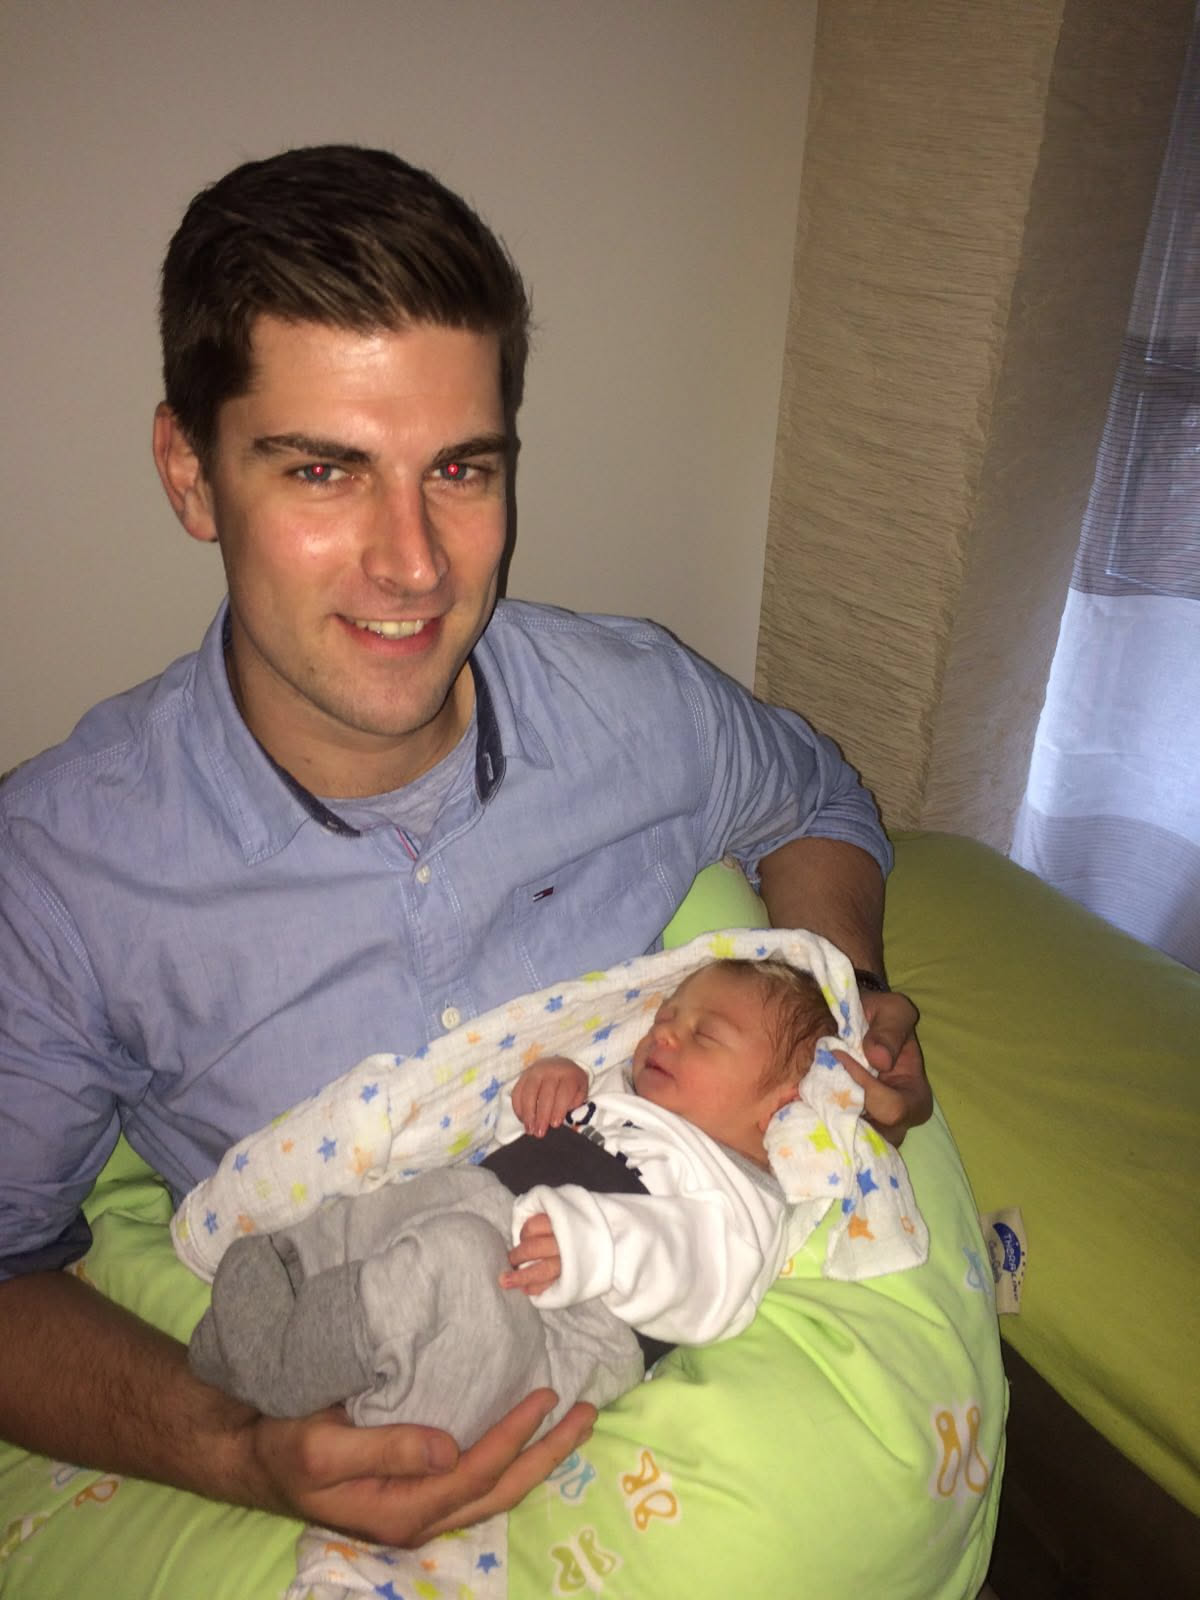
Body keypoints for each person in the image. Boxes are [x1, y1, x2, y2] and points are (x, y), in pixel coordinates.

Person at [0, 144, 930, 1551]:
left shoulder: (638, 705)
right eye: (324, 470)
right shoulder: (62, 873)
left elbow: (815, 799)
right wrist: (233, 1447)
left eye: (460, 469)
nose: (415, 563)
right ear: (191, 474)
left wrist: (845, 993)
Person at [187, 958, 837, 1445]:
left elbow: (704, 1275)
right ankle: (293, 1274)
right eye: (665, 1019)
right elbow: (506, 1151)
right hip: (486, 1211)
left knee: (460, 1260)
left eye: (705, 1037)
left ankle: (295, 1376)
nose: (664, 1036)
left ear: (780, 1105)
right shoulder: (615, 1098)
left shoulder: (738, 1197)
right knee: (421, 1197)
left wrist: (594, 1244)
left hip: (561, 1329)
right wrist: (539, 1099)